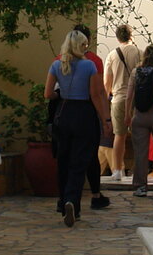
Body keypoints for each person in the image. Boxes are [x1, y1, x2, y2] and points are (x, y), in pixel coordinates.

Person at [43, 29, 109, 226]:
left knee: (63, 160)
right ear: (82, 45)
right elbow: (95, 94)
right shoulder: (89, 65)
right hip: (84, 113)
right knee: (79, 162)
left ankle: (63, 201)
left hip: (63, 113)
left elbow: (48, 94)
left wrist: (59, 94)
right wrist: (105, 119)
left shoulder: (56, 65)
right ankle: (72, 200)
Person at [72, 25, 111, 210]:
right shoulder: (94, 61)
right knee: (90, 154)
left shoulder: (60, 60)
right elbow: (99, 92)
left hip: (65, 110)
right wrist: (105, 118)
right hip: (88, 109)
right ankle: (95, 194)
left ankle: (68, 196)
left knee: (69, 155)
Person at [127, 44, 153, 196]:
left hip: (139, 114)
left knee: (140, 151)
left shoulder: (135, 72)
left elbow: (129, 96)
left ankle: (140, 186)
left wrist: (127, 115)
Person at [103, 24, 141, 180]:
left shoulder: (112, 55)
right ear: (131, 35)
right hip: (137, 100)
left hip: (118, 98)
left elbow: (107, 83)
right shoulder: (140, 53)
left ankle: (118, 170)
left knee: (119, 135)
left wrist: (105, 102)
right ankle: (138, 169)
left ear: (118, 37)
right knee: (139, 136)